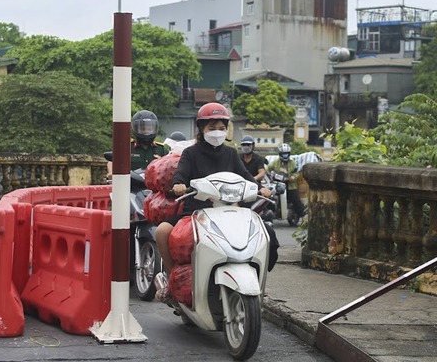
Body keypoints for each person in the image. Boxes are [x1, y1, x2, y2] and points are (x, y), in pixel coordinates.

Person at [155, 102, 271, 304]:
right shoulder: (190, 154)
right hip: (195, 212)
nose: (217, 133)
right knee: (163, 231)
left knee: (268, 237)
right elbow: (180, 176)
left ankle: (257, 282)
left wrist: (259, 189)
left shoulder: (231, 154)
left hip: (229, 211)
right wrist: (179, 185)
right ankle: (171, 280)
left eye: (221, 128)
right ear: (201, 129)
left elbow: (246, 177)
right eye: (212, 128)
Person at [106, 110, 170, 178]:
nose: (146, 132)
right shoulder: (126, 147)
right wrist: (111, 172)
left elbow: (171, 164)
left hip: (156, 186)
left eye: (149, 129)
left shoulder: (162, 149)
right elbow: (113, 160)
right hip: (131, 185)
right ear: (135, 128)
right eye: (143, 129)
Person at [266, 142, 307, 223]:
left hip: (290, 185)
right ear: (280, 154)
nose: (285, 155)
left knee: (295, 200)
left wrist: (292, 177)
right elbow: (267, 168)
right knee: (270, 196)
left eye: (287, 154)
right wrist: (269, 175)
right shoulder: (275, 162)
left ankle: (303, 216)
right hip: (277, 184)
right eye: (283, 154)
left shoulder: (292, 163)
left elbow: (296, 173)